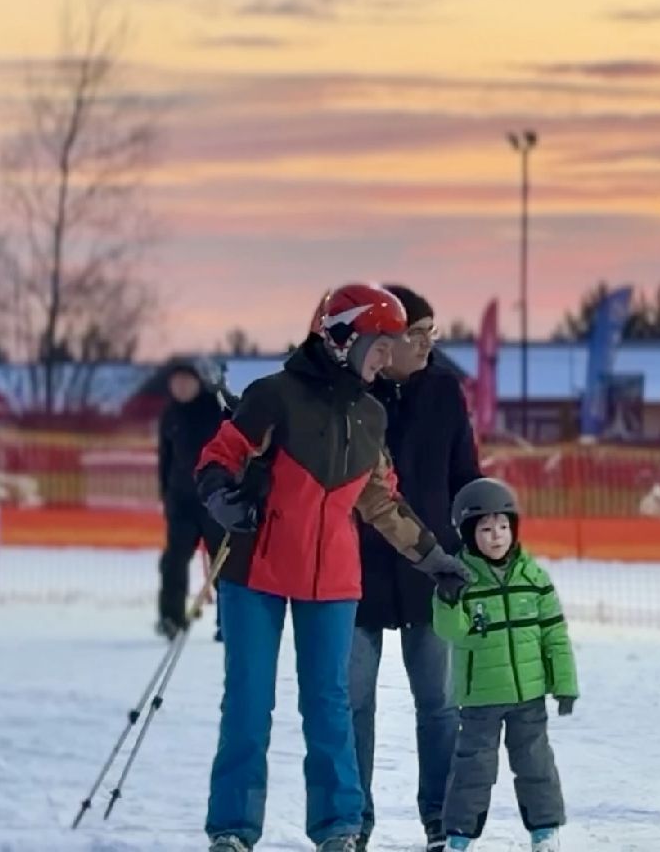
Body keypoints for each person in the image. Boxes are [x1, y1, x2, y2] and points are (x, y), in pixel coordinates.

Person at [197, 283, 473, 852]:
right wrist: (222, 496)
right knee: (249, 702)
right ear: (346, 338)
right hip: (257, 569)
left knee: (329, 705)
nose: (386, 358)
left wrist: (434, 560)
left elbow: (383, 502)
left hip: (332, 578)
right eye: (380, 346)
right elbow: (219, 455)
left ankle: (339, 827)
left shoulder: (370, 414)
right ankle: (233, 827)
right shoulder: (272, 395)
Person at [349, 284, 483, 852]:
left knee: (439, 703)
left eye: (432, 333)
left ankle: (440, 821)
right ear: (383, 340)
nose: (428, 344)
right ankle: (352, 823)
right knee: (354, 702)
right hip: (357, 572)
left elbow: (464, 474)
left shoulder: (445, 392)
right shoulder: (352, 394)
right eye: (415, 334)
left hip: (434, 569)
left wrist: (475, 540)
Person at [432, 477, 575, 852]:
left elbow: (554, 635)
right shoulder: (460, 582)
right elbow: (452, 632)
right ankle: (460, 836)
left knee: (535, 764)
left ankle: (545, 831)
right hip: (480, 697)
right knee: (473, 769)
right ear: (468, 534)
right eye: (485, 529)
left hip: (529, 695)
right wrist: (448, 600)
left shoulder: (534, 578)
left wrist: (564, 683)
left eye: (502, 526)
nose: (496, 536)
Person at [156, 356, 230, 640]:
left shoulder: (215, 409)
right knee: (174, 561)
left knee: (223, 564)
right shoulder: (170, 415)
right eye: (176, 383)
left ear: (198, 382)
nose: (181, 387)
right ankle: (171, 618)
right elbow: (165, 458)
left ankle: (229, 622)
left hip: (214, 501)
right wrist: (166, 495)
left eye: (186, 382)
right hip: (182, 502)